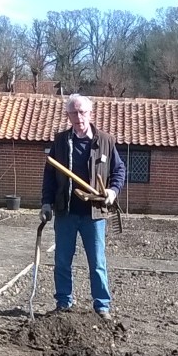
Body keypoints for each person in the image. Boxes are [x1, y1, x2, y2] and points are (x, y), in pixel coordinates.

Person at [41, 94, 126, 318]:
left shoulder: (105, 141)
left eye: (82, 112)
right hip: (66, 211)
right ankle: (63, 303)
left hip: (94, 214)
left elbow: (119, 170)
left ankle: (102, 306)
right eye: (73, 113)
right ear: (68, 115)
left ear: (90, 113)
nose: (78, 117)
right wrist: (46, 203)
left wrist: (112, 190)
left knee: (97, 261)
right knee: (62, 260)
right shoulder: (60, 141)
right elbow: (49, 175)